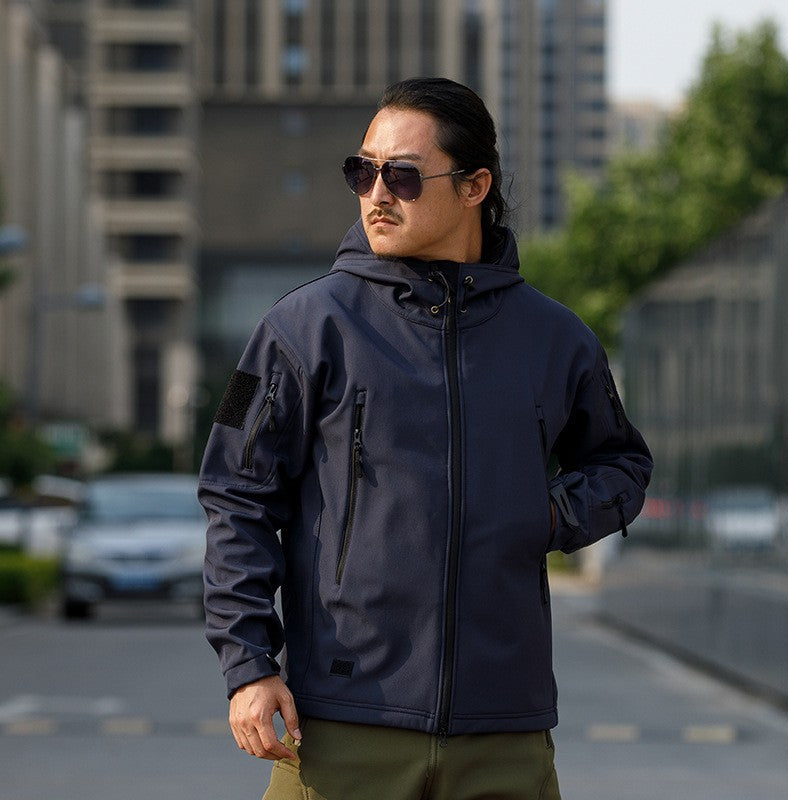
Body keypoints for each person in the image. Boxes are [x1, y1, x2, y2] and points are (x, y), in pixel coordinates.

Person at [199, 77, 653, 800]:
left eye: (403, 176)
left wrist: (549, 515)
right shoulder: (300, 328)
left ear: (475, 186)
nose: (377, 194)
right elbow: (234, 495)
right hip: (342, 726)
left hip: (502, 735)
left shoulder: (556, 338)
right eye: (363, 171)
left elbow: (622, 462)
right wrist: (248, 664)